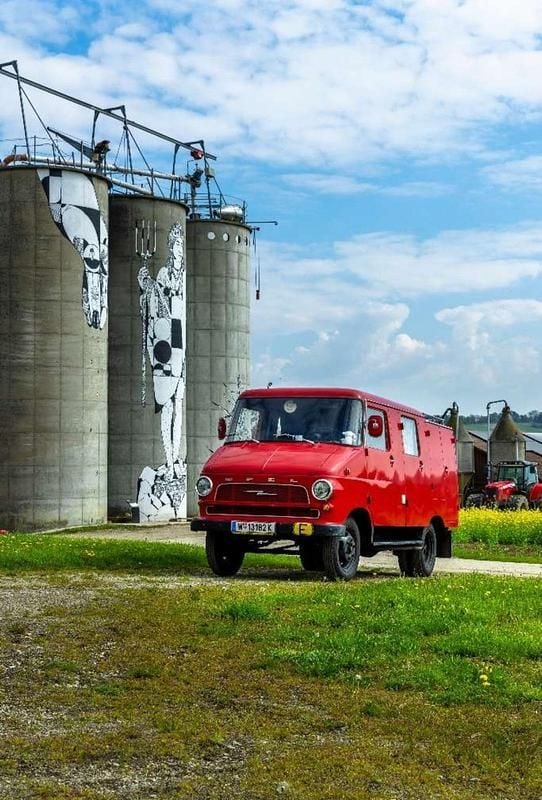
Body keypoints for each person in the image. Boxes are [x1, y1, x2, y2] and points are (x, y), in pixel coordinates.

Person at [138, 220, 185, 480]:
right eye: (176, 245)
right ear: (170, 248)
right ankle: (168, 459)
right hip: (165, 344)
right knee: (166, 406)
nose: (179, 250)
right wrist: (145, 286)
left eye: (181, 245)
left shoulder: (184, 276)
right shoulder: (164, 274)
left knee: (179, 405)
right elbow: (153, 306)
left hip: (180, 344)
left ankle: (175, 459)